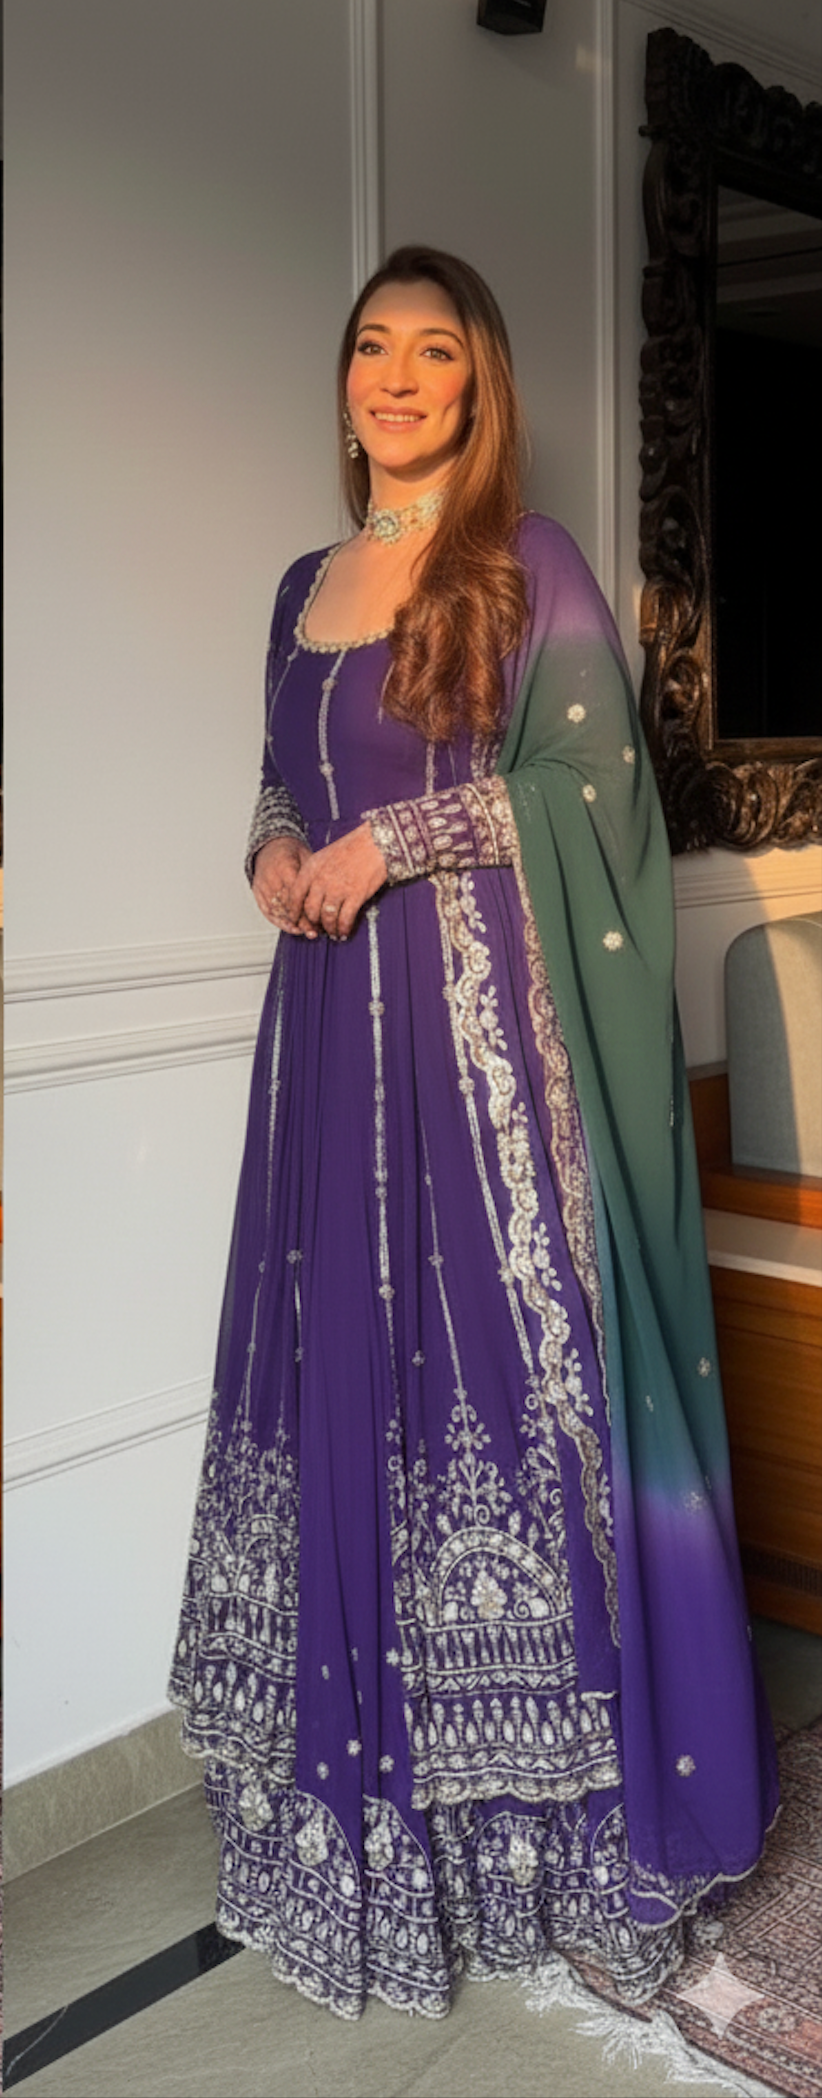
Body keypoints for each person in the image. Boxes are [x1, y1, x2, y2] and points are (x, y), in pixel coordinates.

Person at [169, 246, 778, 2021]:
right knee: (339, 1388)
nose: (396, 376)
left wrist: (401, 843)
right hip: (322, 1048)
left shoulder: (528, 569)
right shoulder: (303, 587)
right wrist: (276, 848)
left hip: (479, 1062)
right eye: (373, 346)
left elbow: (599, 794)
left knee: (505, 1394)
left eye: (433, 351)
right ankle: (377, 1829)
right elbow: (283, 774)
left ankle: (559, 1836)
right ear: (344, 379)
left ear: (478, 384)